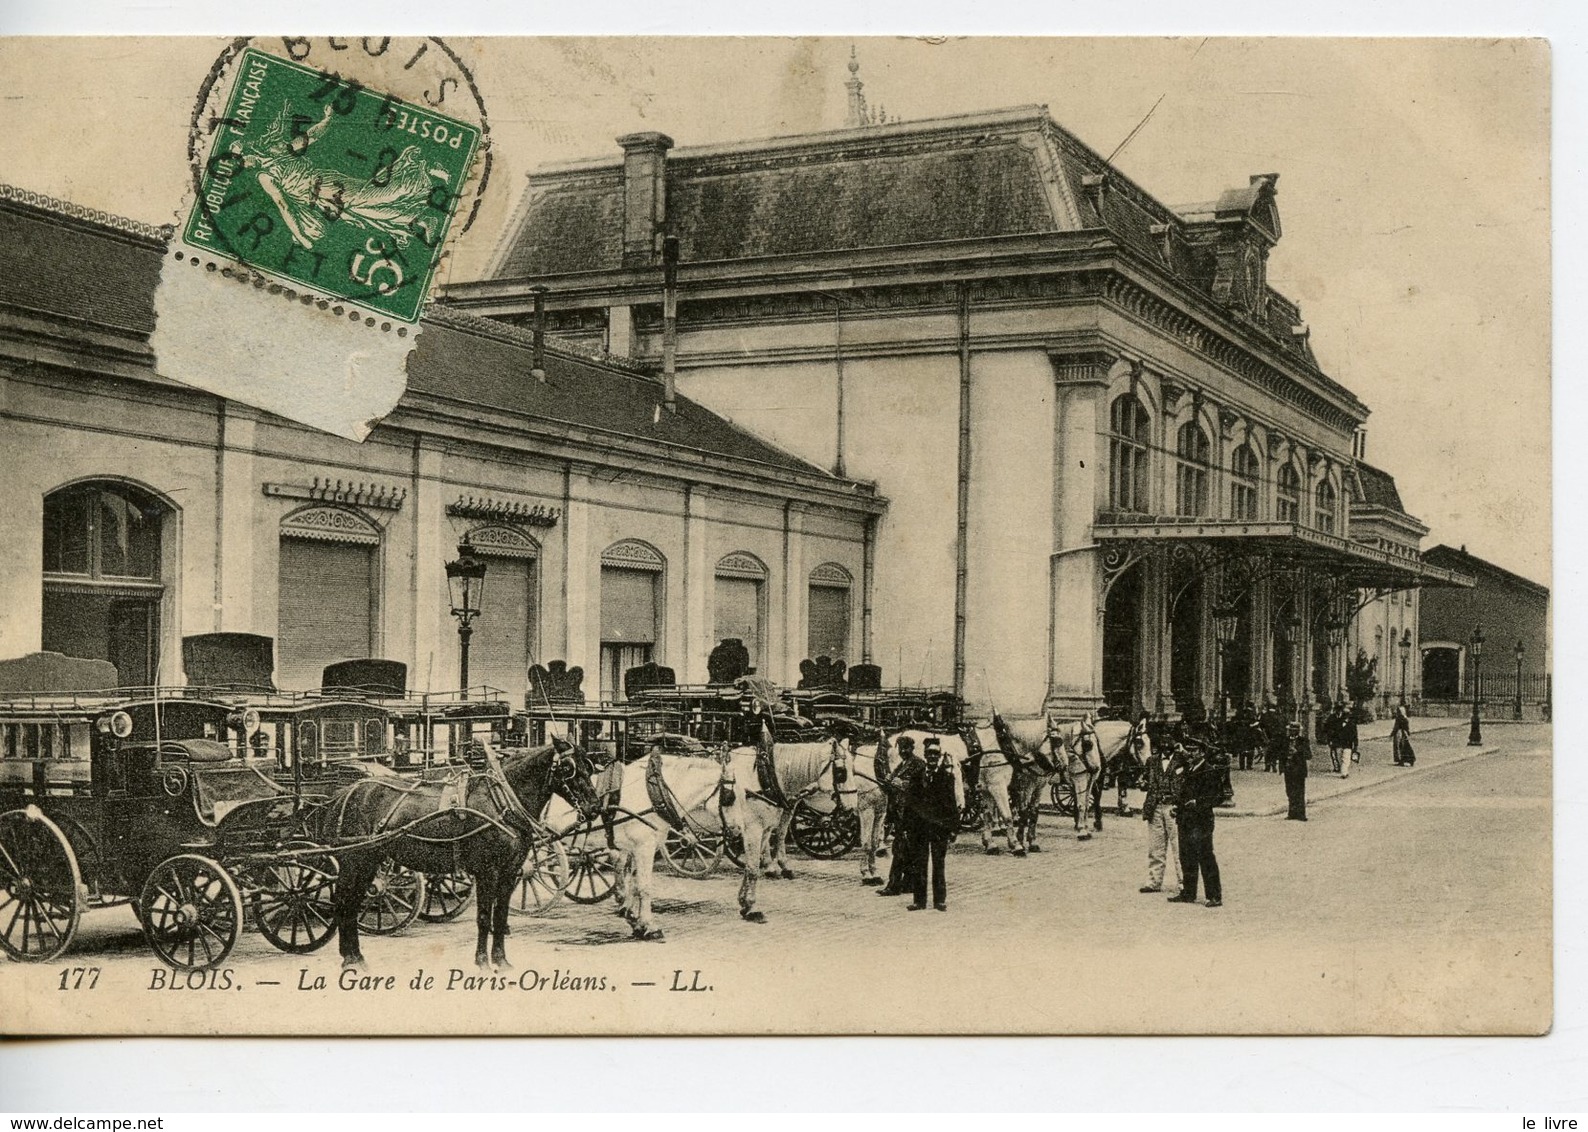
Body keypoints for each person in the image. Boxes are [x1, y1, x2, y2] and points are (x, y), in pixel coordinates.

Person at [900, 735, 962, 911]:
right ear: (926, 756)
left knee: (938, 864)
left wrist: (953, 828)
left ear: (939, 756)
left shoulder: (946, 778)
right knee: (919, 864)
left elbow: (951, 804)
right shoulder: (917, 776)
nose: (933, 757)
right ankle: (919, 901)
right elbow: (909, 803)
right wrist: (905, 827)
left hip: (938, 829)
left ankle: (939, 900)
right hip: (919, 829)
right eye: (930, 754)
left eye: (936, 754)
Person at [1168, 743, 1224, 908]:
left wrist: (1198, 802)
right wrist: (1176, 806)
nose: (1190, 753)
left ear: (1202, 752)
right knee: (1186, 856)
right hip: (1185, 819)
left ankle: (1214, 896)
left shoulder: (1209, 771)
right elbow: (1182, 793)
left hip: (1202, 820)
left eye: (1194, 750)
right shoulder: (1188, 769)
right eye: (1189, 750)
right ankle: (1188, 892)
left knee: (1205, 856)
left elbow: (1218, 796)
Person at [876, 735, 920, 897]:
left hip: (910, 815)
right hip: (899, 815)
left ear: (912, 749)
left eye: (906, 749)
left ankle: (893, 886)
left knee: (900, 850)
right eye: (901, 749)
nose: (903, 752)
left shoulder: (918, 765)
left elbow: (921, 788)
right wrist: (889, 780)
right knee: (906, 850)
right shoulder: (902, 765)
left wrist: (903, 784)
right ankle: (909, 884)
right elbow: (892, 785)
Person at [1138, 738, 1184, 895]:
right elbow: (1144, 780)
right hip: (1154, 807)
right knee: (1155, 846)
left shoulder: (1182, 760)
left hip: (1174, 807)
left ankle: (1183, 881)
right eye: (1163, 743)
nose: (1165, 746)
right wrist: (1143, 783)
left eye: (1169, 743)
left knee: (1178, 845)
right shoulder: (1151, 761)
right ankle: (1153, 881)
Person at [1283, 721, 1310, 821]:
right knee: (1289, 791)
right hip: (1288, 768)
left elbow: (1308, 755)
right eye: (1291, 730)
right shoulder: (1285, 741)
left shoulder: (1303, 741)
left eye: (1295, 730)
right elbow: (1281, 753)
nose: (1292, 732)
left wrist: (1297, 751)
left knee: (1299, 791)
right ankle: (1292, 813)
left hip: (1299, 770)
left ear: (1298, 731)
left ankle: (1301, 814)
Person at [1333, 700, 1359, 779]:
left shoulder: (1352, 724)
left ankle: (1344, 773)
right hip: (1339, 743)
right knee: (1340, 758)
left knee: (1346, 759)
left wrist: (1355, 745)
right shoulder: (1338, 723)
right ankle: (1343, 770)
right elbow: (1335, 733)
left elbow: (1355, 735)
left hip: (1347, 744)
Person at [1260, 700, 1286, 773]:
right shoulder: (1280, 716)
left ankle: (1267, 766)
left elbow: (1261, 726)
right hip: (1277, 736)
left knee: (1267, 751)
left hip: (1267, 735)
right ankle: (1274, 765)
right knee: (1275, 751)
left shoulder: (1264, 715)